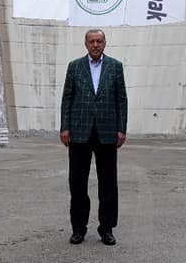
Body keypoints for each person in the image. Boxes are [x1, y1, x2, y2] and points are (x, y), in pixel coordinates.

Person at [60, 29, 128, 246]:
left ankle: (106, 229)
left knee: (108, 184)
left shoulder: (115, 67)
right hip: (79, 132)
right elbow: (67, 99)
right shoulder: (74, 66)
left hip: (107, 133)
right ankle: (78, 228)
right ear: (86, 44)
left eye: (99, 41)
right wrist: (65, 127)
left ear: (105, 43)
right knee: (77, 183)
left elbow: (121, 100)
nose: (96, 45)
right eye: (92, 41)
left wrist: (121, 129)